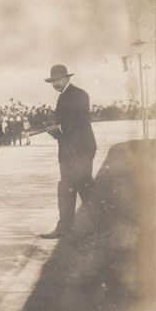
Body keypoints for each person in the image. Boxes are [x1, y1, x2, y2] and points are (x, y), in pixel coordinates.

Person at [40, 64, 97, 239]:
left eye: (59, 80)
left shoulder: (78, 95)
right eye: (53, 81)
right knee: (72, 187)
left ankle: (98, 226)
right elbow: (66, 127)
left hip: (80, 150)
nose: (56, 84)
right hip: (69, 151)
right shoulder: (63, 97)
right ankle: (69, 227)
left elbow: (81, 122)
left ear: (67, 78)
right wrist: (55, 131)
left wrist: (60, 128)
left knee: (79, 187)